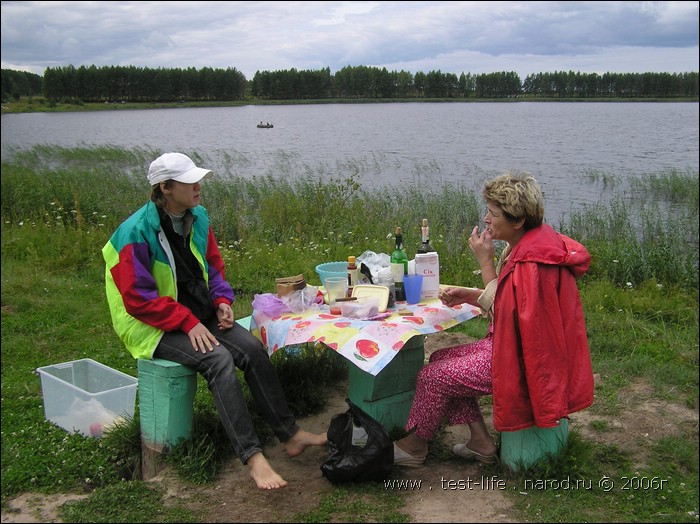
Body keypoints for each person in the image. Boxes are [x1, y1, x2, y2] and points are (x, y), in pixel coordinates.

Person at [102, 152, 327, 489]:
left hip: (195, 313)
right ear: (165, 187)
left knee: (251, 348)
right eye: (190, 181)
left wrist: (221, 301)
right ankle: (253, 457)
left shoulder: (198, 217)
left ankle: (290, 434)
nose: (199, 186)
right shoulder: (133, 233)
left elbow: (213, 267)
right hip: (150, 325)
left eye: (198, 179)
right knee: (218, 360)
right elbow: (137, 300)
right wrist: (187, 322)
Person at [394, 171, 594, 467]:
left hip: (521, 360)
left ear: (518, 220)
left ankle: (413, 448)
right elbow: (508, 299)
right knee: (439, 358)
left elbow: (506, 314)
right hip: (510, 346)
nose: (487, 219)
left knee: (432, 377)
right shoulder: (530, 244)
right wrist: (471, 294)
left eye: (493, 213)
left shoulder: (530, 262)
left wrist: (485, 261)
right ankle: (480, 443)